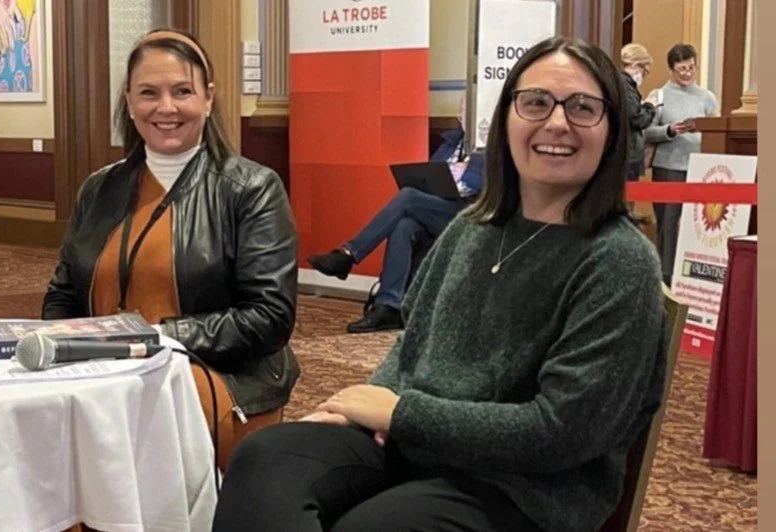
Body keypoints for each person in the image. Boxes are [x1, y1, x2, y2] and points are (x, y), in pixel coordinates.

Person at [213, 36, 668, 532]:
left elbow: (561, 432)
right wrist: (363, 410)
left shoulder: (619, 260)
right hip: (417, 446)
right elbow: (413, 346)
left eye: (583, 107)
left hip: (526, 489)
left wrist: (404, 414)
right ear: (508, 120)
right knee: (265, 458)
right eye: (535, 102)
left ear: (611, 129)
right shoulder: (473, 227)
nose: (556, 123)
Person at [41, 29, 299, 469]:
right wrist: (66, 357)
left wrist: (153, 340)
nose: (166, 108)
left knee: (120, 442)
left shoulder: (251, 189)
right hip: (102, 377)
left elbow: (268, 318)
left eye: (182, 91)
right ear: (128, 100)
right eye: (148, 93)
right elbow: (62, 296)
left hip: (216, 379)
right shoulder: (98, 190)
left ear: (209, 98)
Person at [306, 98, 483, 333]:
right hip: (443, 207)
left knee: (409, 197)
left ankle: (348, 254)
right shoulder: (453, 142)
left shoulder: (490, 144)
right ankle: (388, 306)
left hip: (471, 212)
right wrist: (445, 175)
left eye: (467, 110)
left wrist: (464, 172)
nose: (462, 115)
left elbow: (483, 184)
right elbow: (433, 171)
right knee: (405, 226)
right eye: (460, 110)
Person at [644, 43, 718, 285]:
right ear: (671, 70)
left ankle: (690, 279)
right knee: (667, 224)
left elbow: (716, 131)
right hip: (668, 169)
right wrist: (669, 130)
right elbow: (645, 132)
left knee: (696, 226)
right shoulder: (659, 95)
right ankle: (664, 278)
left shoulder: (707, 98)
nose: (687, 73)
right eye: (681, 69)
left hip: (698, 170)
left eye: (691, 68)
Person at [620, 43, 658, 181]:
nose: (642, 75)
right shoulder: (625, 85)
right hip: (627, 154)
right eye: (644, 71)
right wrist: (649, 106)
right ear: (636, 65)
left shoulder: (619, 83)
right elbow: (637, 118)